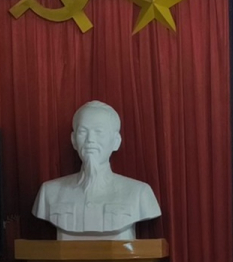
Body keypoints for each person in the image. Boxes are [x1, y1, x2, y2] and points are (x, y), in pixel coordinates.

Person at [32, 100, 162, 241]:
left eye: (98, 132)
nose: (90, 140)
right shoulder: (49, 192)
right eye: (83, 132)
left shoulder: (139, 193)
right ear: (74, 140)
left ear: (116, 141)